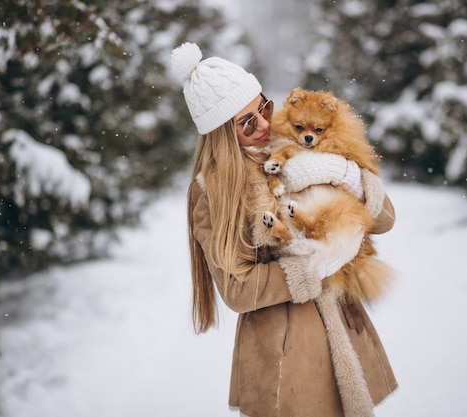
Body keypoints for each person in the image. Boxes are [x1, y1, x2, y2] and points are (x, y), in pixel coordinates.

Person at [170, 42, 397, 417]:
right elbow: (237, 289)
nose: (263, 124)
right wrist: (314, 266)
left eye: (264, 106)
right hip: (284, 350)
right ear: (221, 133)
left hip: (342, 326)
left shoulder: (296, 142)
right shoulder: (213, 189)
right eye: (246, 122)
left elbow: (385, 220)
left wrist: (349, 176)